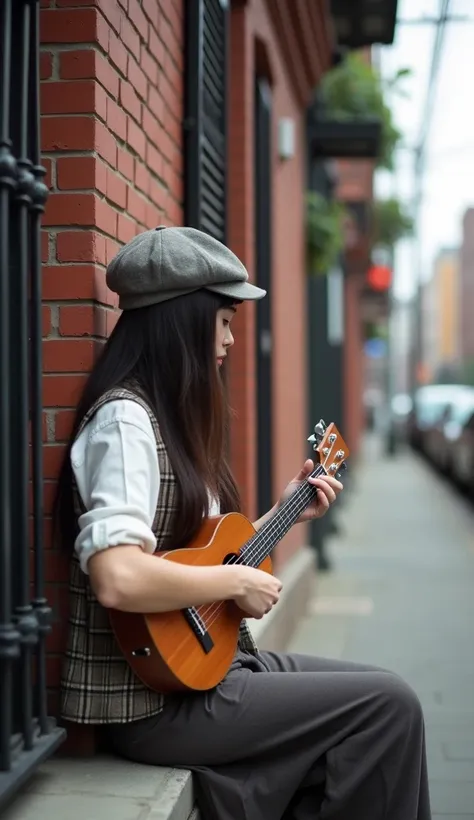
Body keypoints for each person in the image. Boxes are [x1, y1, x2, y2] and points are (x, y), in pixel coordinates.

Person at [54, 226, 432, 820]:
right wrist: (235, 585)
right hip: (151, 706)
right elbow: (118, 577)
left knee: (383, 695)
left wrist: (286, 513)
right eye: (224, 319)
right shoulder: (125, 422)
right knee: (386, 706)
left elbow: (199, 560)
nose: (232, 337)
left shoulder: (166, 417)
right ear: (182, 318)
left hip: (205, 675)